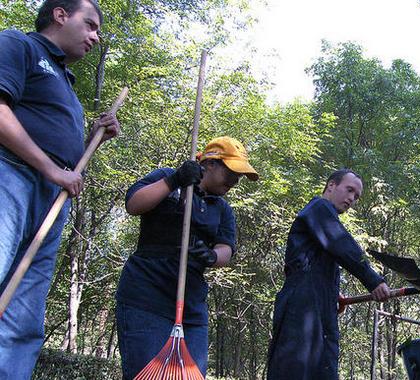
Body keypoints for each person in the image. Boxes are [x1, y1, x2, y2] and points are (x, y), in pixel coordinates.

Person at [0, 0, 121, 377]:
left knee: (23, 317)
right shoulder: (19, 45)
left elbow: (65, 158)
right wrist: (52, 169)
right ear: (60, 14)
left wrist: (94, 140)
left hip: (51, 200)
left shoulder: (66, 83)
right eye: (90, 25)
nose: (95, 37)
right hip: (10, 178)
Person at [115, 137, 258, 379]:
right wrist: (174, 181)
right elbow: (133, 204)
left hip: (191, 306)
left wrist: (211, 256)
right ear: (210, 164)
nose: (235, 180)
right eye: (231, 172)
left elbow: (227, 248)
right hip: (146, 297)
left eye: (239, 175)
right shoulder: (170, 178)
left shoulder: (222, 209)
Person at [267, 169, 391, 380]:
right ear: (331, 186)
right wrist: (373, 280)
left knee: (323, 369)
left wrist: (334, 294)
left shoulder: (323, 220)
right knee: (294, 370)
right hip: (301, 303)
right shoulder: (318, 207)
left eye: (356, 196)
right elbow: (340, 244)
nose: (352, 199)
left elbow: (321, 263)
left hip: (321, 305)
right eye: (349, 190)